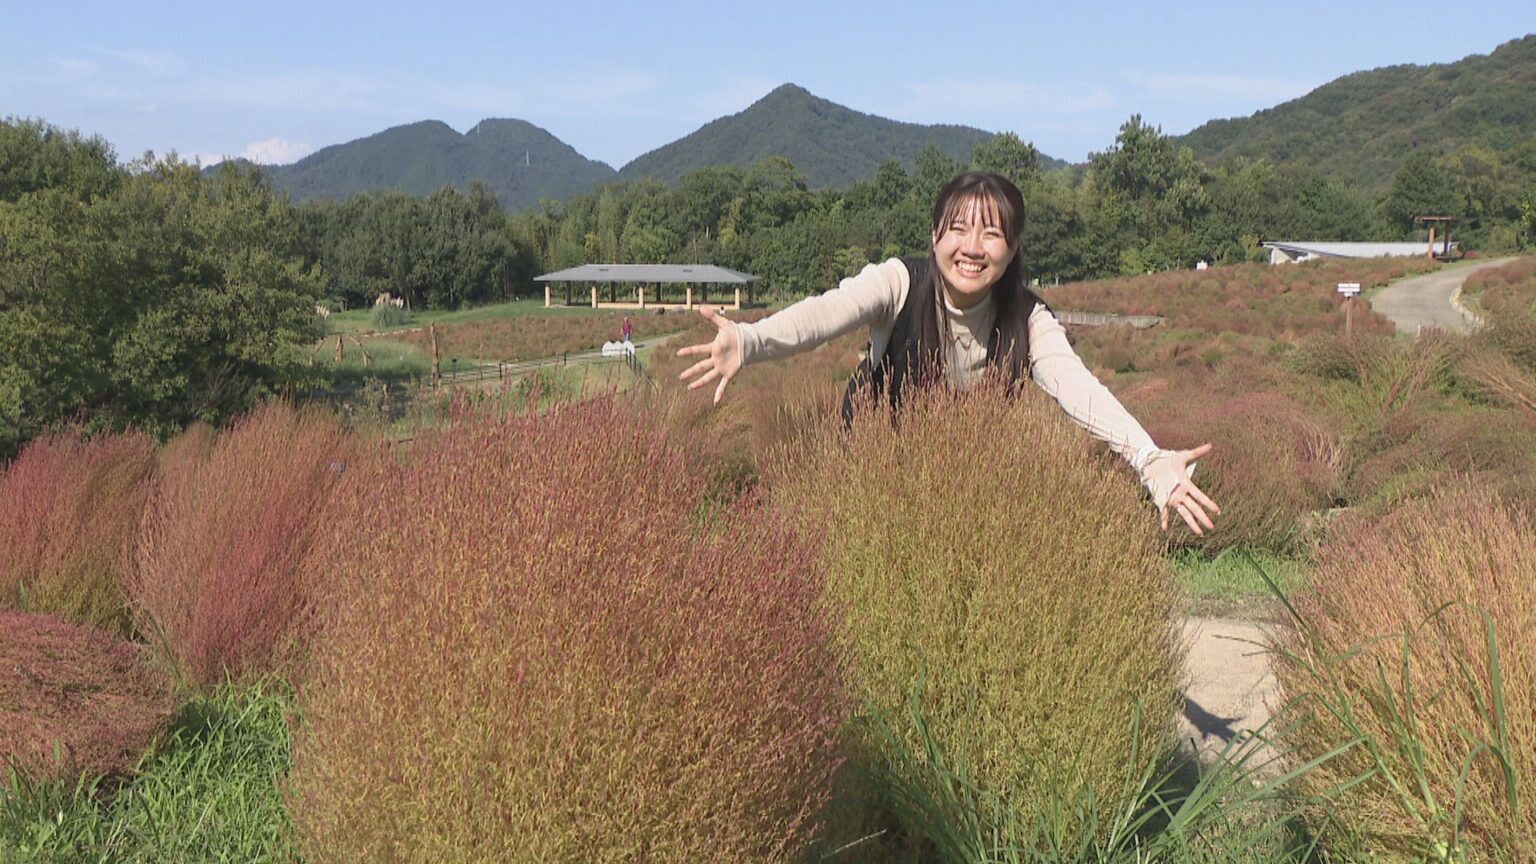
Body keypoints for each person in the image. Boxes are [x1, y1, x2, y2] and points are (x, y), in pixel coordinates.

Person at [677, 171, 1218, 535]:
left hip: (957, 490)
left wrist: (1148, 459)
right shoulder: (900, 282)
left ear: (1014, 247)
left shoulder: (1029, 319)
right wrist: (750, 339)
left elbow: (1080, 389)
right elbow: (826, 313)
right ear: (935, 233)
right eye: (957, 228)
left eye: (991, 233)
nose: (972, 247)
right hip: (867, 476)